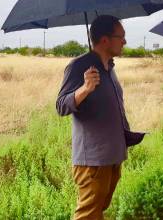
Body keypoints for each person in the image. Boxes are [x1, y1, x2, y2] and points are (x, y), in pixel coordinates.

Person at [56, 15, 144, 220]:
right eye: (121, 37)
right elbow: (61, 106)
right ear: (105, 40)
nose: (124, 42)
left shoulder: (109, 67)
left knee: (98, 211)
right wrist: (84, 89)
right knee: (87, 215)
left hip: (112, 156)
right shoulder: (78, 66)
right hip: (93, 161)